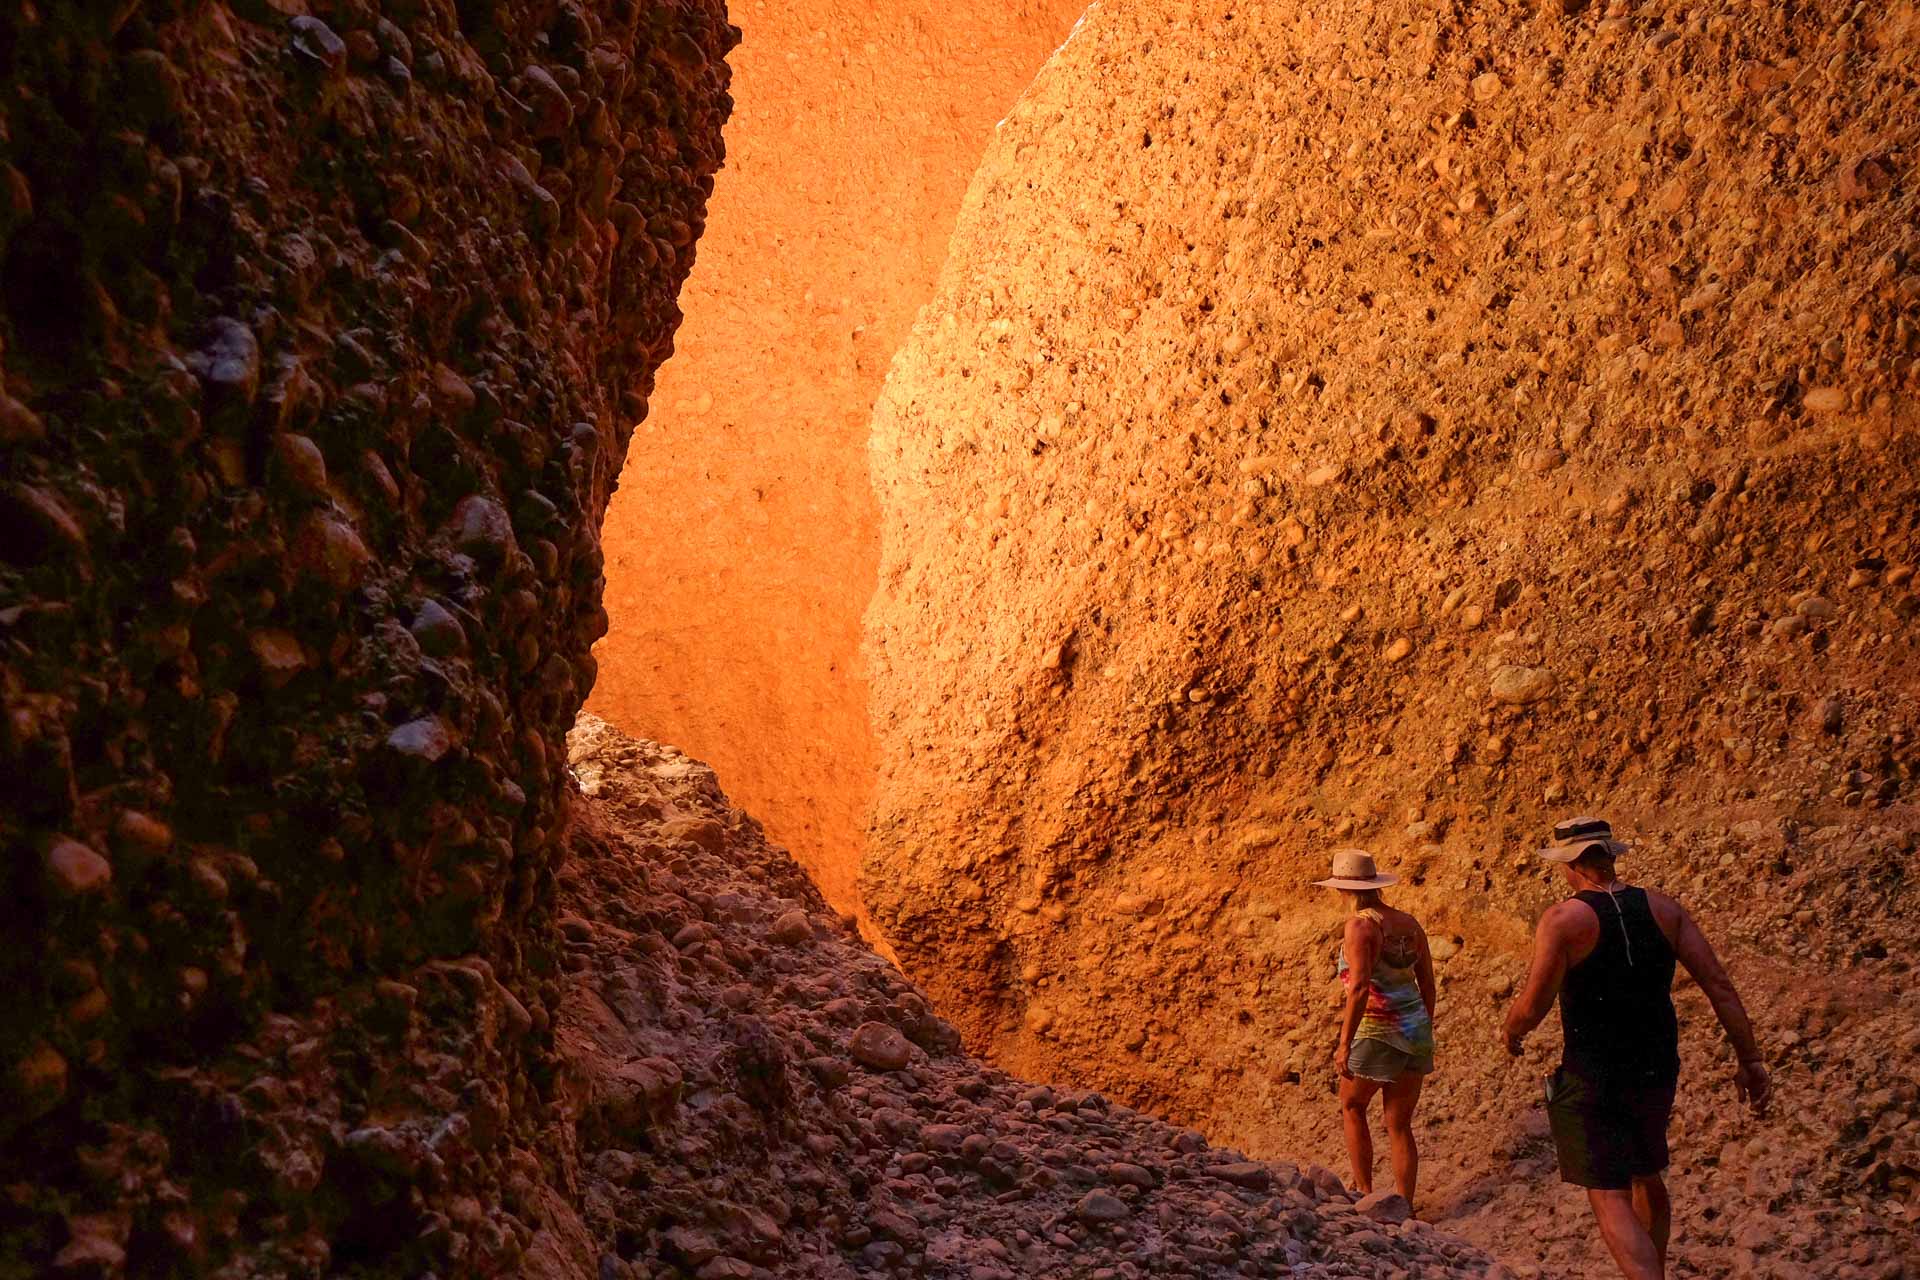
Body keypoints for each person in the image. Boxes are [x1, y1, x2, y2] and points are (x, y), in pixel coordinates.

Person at [1502, 816, 1770, 1280]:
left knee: (1608, 1193)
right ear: (1610, 856)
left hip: (1593, 1069)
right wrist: (1749, 1059)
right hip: (1657, 1064)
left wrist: (1512, 1032)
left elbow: (1534, 1003)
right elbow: (1719, 985)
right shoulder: (1665, 910)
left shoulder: (1564, 920)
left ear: (1570, 865)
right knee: (1648, 1172)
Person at [1318, 847, 1437, 1209]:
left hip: (1375, 1029)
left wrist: (1344, 1043)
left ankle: (1364, 1193)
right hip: (1415, 1028)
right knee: (1398, 1123)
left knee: (1352, 1106)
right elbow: (1428, 982)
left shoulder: (1360, 926)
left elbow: (1358, 987)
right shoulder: (1409, 923)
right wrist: (1423, 1025)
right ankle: (1404, 1204)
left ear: (1344, 890)